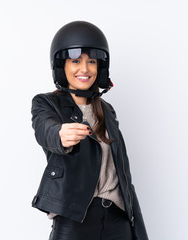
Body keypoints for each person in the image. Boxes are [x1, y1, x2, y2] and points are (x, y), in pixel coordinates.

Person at [31, 21, 149, 240]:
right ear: (61, 66)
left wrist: (136, 227)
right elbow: (44, 129)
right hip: (75, 219)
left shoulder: (107, 111)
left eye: (91, 61)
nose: (84, 69)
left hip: (117, 218)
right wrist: (60, 135)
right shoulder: (46, 103)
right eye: (76, 61)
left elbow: (124, 175)